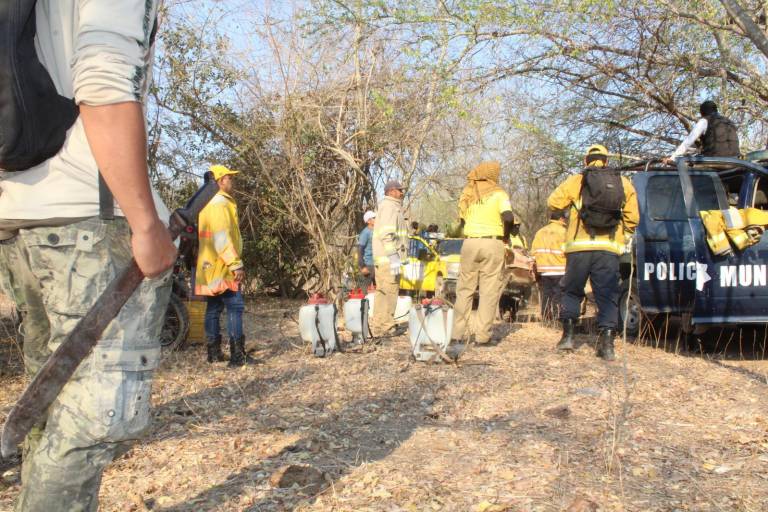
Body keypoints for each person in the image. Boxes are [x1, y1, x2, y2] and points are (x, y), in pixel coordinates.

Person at [0, 2, 177, 510]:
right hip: (89, 219)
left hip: (23, 219)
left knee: (50, 415)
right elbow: (104, 85)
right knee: (95, 420)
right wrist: (146, 222)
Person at [548, 144, 639, 361]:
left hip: (578, 249)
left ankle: (567, 338)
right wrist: (623, 236)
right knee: (607, 296)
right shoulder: (623, 183)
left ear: (585, 160)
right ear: (606, 161)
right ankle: (607, 347)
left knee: (572, 291)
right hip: (608, 249)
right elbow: (633, 218)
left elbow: (553, 202)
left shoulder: (576, 181)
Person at [195, 165, 255, 367]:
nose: (232, 181)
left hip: (209, 265)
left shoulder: (207, 203)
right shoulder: (220, 203)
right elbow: (221, 237)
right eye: (230, 178)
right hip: (223, 265)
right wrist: (235, 264)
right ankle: (238, 356)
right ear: (221, 181)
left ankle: (214, 354)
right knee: (235, 306)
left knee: (214, 307)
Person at [452, 161, 515, 345]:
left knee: (464, 290)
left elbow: (462, 222)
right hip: (492, 242)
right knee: (488, 292)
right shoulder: (499, 193)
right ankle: (482, 337)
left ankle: (457, 336)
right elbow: (508, 217)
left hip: (470, 243)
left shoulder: (468, 192)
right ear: (492, 174)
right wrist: (505, 236)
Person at [371, 180, 407, 336]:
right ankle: (386, 327)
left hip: (385, 260)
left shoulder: (390, 207)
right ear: (391, 191)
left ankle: (379, 326)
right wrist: (393, 257)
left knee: (383, 293)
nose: (402, 193)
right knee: (389, 292)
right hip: (388, 260)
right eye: (400, 190)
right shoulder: (389, 207)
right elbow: (387, 234)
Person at [663, 100, 740, 164]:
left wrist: (672, 158)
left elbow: (688, 141)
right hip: (735, 161)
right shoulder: (729, 122)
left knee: (687, 163)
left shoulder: (704, 121)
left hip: (715, 160)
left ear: (702, 112)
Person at [531, 209, 568, 321]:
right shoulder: (564, 232)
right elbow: (568, 250)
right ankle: (558, 319)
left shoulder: (540, 232)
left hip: (544, 270)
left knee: (546, 295)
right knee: (558, 295)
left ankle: (546, 319)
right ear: (561, 218)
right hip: (560, 269)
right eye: (565, 218)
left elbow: (533, 252)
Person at [358, 210, 376, 289]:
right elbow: (360, 250)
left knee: (379, 291)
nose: (376, 219)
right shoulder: (365, 233)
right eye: (374, 218)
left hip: (377, 265)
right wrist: (362, 267)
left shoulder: (377, 231)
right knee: (364, 290)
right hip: (368, 265)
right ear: (368, 221)